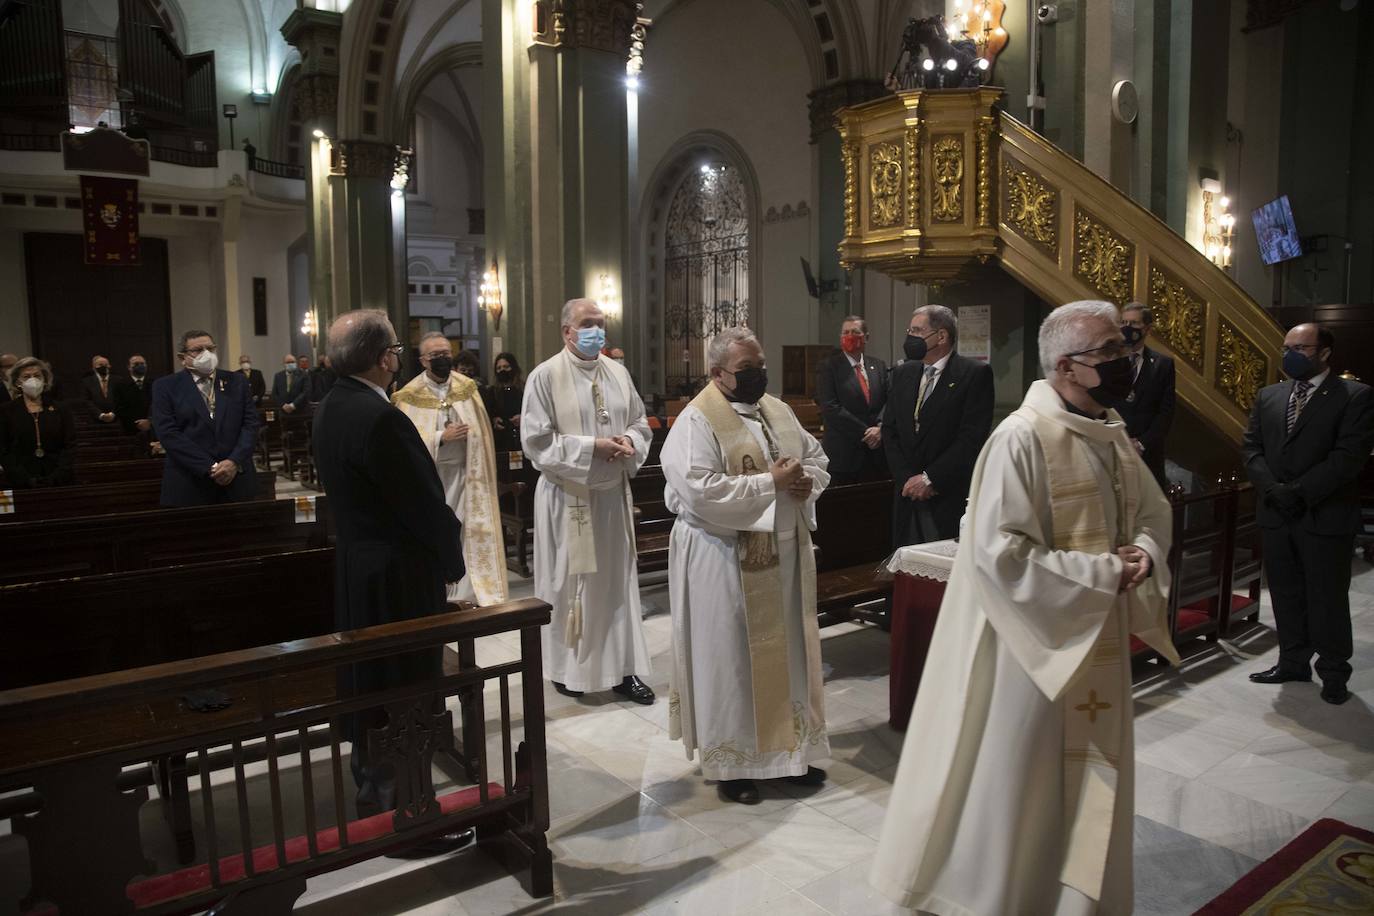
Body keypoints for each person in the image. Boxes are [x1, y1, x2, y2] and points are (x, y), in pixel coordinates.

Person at [870, 300, 1178, 915]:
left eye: (1122, 348)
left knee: (1087, 779)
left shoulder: (1111, 431)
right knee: (1026, 782)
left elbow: (1152, 511)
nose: (1124, 362)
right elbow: (998, 556)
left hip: (1094, 636)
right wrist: (1102, 572)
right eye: (1111, 352)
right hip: (1031, 651)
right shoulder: (1020, 438)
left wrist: (1143, 551)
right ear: (1068, 365)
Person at [311, 310, 466, 839]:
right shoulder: (380, 417)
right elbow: (422, 504)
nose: (398, 358)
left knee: (373, 688)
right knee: (405, 690)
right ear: (384, 359)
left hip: (359, 570)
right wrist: (451, 560)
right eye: (396, 350)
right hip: (398, 577)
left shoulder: (331, 406)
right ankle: (408, 817)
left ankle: (375, 799)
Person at [661, 327, 831, 805]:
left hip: (784, 555)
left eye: (761, 366)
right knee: (731, 659)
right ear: (718, 374)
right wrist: (769, 485)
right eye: (747, 370)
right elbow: (699, 490)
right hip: (721, 556)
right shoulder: (696, 421)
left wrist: (806, 484)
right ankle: (733, 765)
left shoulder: (778, 411)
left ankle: (788, 757)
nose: (758, 376)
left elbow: (815, 458)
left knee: (788, 655)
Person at [521, 298, 654, 704]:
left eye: (600, 322)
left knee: (616, 584)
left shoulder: (618, 372)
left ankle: (623, 669)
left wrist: (628, 441)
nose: (597, 329)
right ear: (567, 332)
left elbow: (638, 420)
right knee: (568, 584)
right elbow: (536, 440)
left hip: (611, 497)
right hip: (568, 497)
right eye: (587, 323)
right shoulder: (544, 376)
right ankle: (568, 669)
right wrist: (592, 447)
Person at [1242, 322, 1374, 706]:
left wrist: (1298, 492)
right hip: (1277, 515)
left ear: (1325, 352)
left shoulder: (1355, 396)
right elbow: (1252, 448)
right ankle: (1293, 661)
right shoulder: (1270, 395)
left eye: (1301, 348)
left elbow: (1348, 457)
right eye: (1287, 347)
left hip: (1324, 514)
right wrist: (1272, 490)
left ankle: (1333, 672)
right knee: (1285, 593)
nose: (1290, 354)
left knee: (1327, 597)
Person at [392, 332, 509, 606]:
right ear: (423, 360)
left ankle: (470, 589)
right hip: (433, 478)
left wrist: (472, 438)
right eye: (435, 355)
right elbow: (406, 444)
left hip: (467, 473)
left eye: (446, 353)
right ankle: (440, 592)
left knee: (468, 529)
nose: (443, 359)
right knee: (440, 531)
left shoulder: (467, 388)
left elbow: (482, 431)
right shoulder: (408, 395)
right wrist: (440, 438)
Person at [882, 305, 994, 545]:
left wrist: (930, 478)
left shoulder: (974, 373)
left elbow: (971, 438)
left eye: (917, 330)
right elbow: (890, 431)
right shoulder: (903, 372)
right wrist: (906, 479)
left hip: (946, 491)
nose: (910, 337)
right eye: (909, 330)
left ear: (941, 336)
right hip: (906, 493)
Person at [150, 330, 259, 506]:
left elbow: (251, 424)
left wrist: (233, 462)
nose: (206, 354)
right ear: (182, 357)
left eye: (210, 348)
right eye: (198, 350)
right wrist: (212, 468)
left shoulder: (237, 382)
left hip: (237, 480)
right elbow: (168, 433)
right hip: (190, 483)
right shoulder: (165, 386)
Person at [816, 315, 888, 485]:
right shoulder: (829, 367)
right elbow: (830, 407)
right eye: (845, 332)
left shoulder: (878, 366)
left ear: (866, 337)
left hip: (876, 457)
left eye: (855, 332)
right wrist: (867, 434)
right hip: (844, 455)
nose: (849, 336)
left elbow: (889, 400)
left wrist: (880, 428)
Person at [1113, 303, 1176, 485]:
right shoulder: (1108, 359)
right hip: (1113, 449)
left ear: (1147, 328)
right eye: (1124, 322)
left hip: (1148, 455)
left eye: (1133, 323)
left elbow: (1166, 412)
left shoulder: (1163, 365)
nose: (1127, 328)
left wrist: (1141, 444)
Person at [0, 357, 76, 487]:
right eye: (26, 376)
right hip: (21, 481)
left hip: (59, 480)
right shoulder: (6, 411)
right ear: (18, 382)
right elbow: (4, 449)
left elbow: (70, 445)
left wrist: (58, 476)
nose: (32, 380)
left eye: (37, 375)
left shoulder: (61, 409)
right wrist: (23, 479)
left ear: (44, 380)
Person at [488, 352, 525, 451]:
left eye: (506, 367)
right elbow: (489, 414)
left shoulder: (524, 389)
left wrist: (523, 418)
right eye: (499, 368)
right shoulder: (492, 392)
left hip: (521, 439)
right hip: (500, 441)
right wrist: (494, 421)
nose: (502, 370)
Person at [112, 354, 156, 438]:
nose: (140, 366)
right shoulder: (120, 385)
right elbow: (119, 408)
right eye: (136, 364)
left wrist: (150, 422)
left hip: (153, 429)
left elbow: (159, 405)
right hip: (130, 430)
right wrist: (138, 423)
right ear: (129, 367)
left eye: (142, 364)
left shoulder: (155, 383)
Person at [82, 354, 119, 424]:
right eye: (100, 365)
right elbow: (87, 401)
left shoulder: (118, 380)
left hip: (116, 420)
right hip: (95, 421)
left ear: (110, 366)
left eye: (106, 364)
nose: (104, 367)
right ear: (94, 368)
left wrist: (113, 414)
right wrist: (101, 415)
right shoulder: (86, 382)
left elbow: (121, 400)